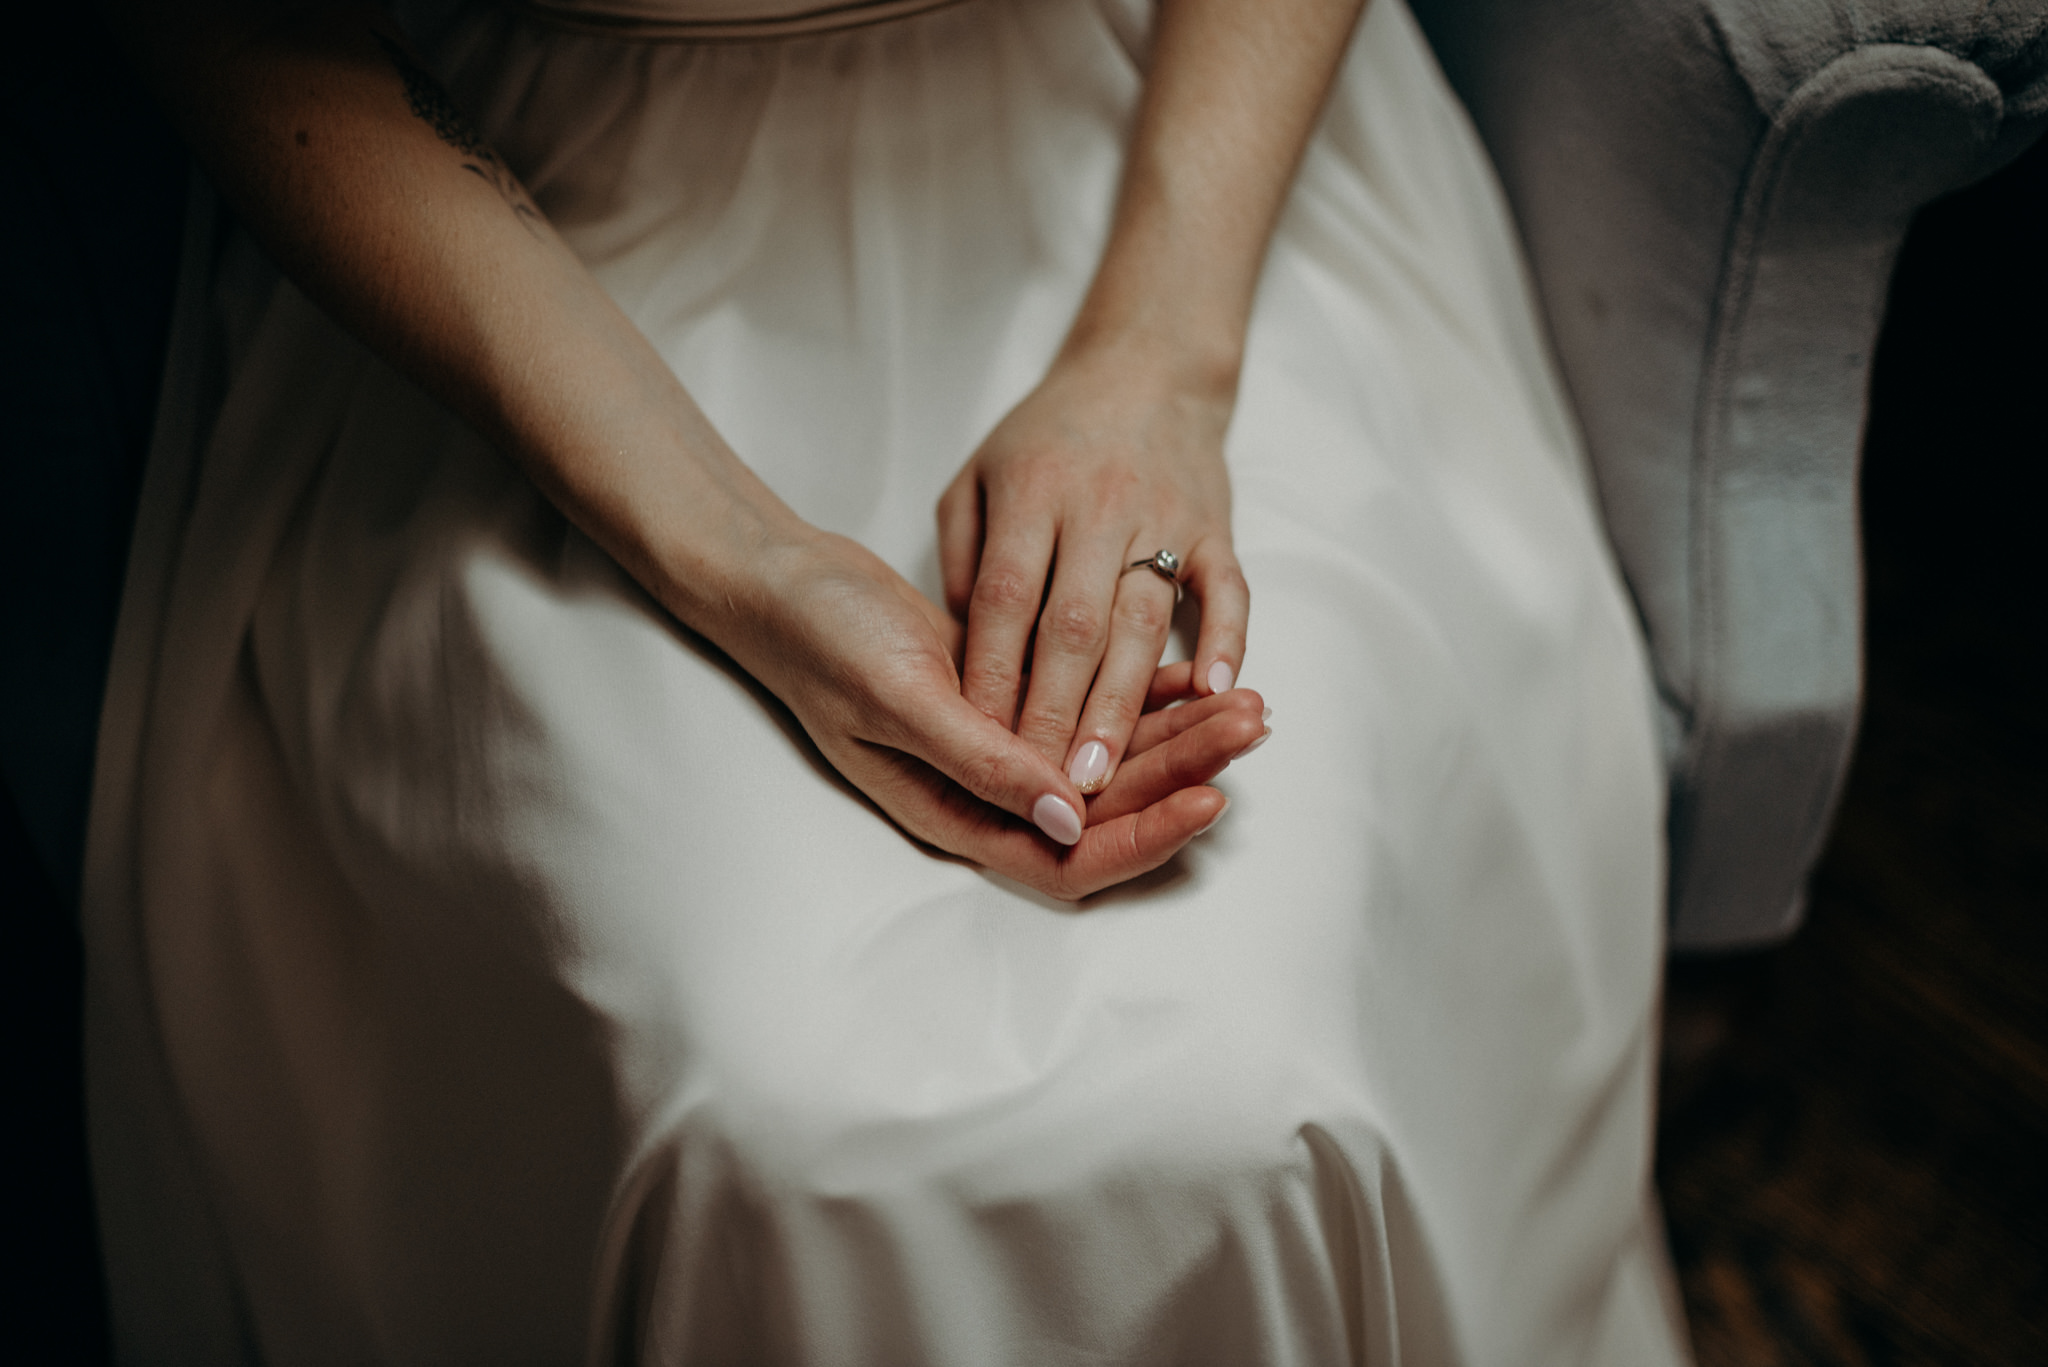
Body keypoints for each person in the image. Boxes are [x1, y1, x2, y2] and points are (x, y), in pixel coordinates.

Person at [90, 0, 1690, 1360]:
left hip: (1167, 151)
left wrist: (1159, 361)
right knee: (771, 1100)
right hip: (527, 259)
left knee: (1240, 1067)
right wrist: (744, 558)